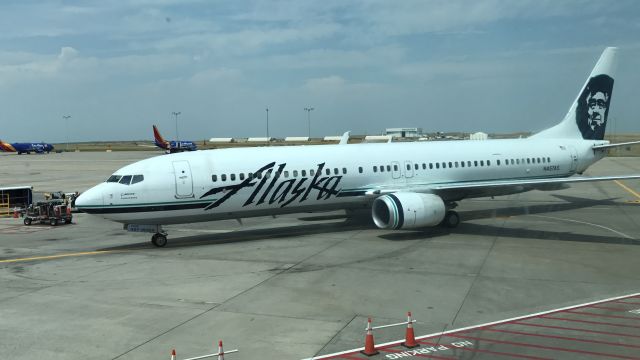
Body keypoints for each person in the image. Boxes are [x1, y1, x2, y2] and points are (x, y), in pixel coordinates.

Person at [576, 74, 614, 140]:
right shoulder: (584, 128)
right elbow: (581, 102)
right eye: (592, 104)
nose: (596, 109)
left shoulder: (593, 133)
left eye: (601, 104)